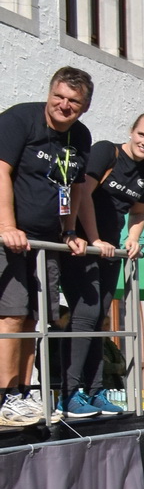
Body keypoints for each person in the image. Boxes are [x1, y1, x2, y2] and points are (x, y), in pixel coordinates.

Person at [56, 111, 144, 418]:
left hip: (109, 250)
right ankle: (68, 394)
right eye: (142, 134)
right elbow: (82, 193)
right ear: (132, 131)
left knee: (99, 319)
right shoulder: (108, 151)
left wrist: (132, 238)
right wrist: (93, 238)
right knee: (85, 314)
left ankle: (95, 392)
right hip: (81, 243)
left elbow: (138, 213)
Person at [0, 68, 95, 426]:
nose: (64, 105)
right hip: (11, 236)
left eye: (74, 102)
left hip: (46, 241)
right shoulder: (20, 120)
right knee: (12, 313)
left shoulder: (79, 136)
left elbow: (73, 186)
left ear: (84, 107)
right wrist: (7, 226)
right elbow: (1, 171)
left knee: (35, 317)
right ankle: (5, 395)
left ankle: (24, 393)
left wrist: (69, 230)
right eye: (59, 96)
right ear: (50, 93)